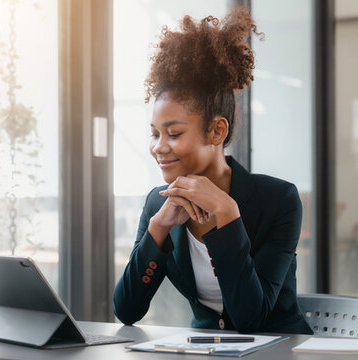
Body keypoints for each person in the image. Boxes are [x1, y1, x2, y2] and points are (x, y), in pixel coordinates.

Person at [113, 7, 312, 334]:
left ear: (217, 131)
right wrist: (157, 229)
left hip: (278, 351)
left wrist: (228, 215)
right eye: (155, 133)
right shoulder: (158, 205)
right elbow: (127, 310)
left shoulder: (279, 200)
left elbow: (251, 318)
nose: (159, 147)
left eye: (174, 134)